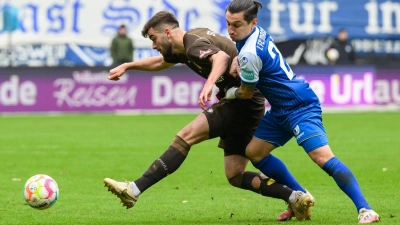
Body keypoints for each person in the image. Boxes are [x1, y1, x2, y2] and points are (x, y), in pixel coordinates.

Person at [103, 11, 315, 221]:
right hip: (247, 102)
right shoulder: (183, 46)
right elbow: (161, 63)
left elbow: (221, 58)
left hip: (242, 101)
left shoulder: (193, 44)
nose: (153, 45)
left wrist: (209, 83)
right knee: (235, 174)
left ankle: (135, 189)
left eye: (153, 38)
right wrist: (128, 65)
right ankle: (295, 197)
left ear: (167, 32)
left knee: (186, 136)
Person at [224, 0, 380, 223]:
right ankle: (299, 196)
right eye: (228, 23)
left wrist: (229, 92)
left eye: (236, 25)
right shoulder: (255, 33)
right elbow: (249, 56)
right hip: (281, 108)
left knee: (322, 158)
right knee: (255, 152)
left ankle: (366, 209)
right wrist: (237, 59)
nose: (230, 30)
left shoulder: (249, 53)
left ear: (253, 22)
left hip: (300, 105)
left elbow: (246, 92)